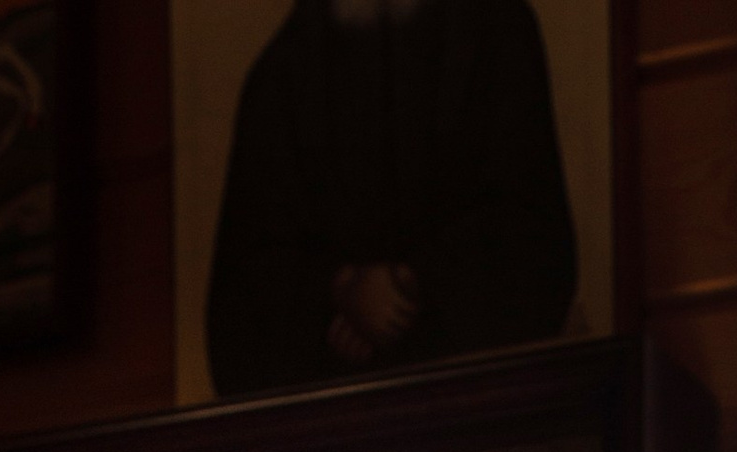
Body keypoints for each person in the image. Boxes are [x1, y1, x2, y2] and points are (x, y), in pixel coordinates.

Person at [203, 0, 577, 400]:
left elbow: (533, 234)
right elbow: (244, 291)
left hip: (475, 399)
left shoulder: (496, 33)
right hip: (336, 413)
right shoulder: (286, 70)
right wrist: (340, 291)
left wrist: (410, 284)